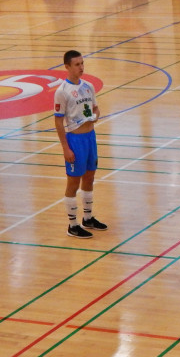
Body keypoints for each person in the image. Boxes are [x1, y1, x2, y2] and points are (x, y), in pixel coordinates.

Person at [54, 50, 107, 239]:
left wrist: (96, 116)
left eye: (82, 63)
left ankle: (88, 217)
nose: (81, 67)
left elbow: (96, 108)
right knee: (73, 181)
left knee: (90, 177)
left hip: (90, 137)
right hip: (75, 140)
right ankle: (72, 224)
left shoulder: (88, 86)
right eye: (77, 64)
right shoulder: (62, 92)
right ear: (67, 67)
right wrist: (66, 148)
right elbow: (58, 121)